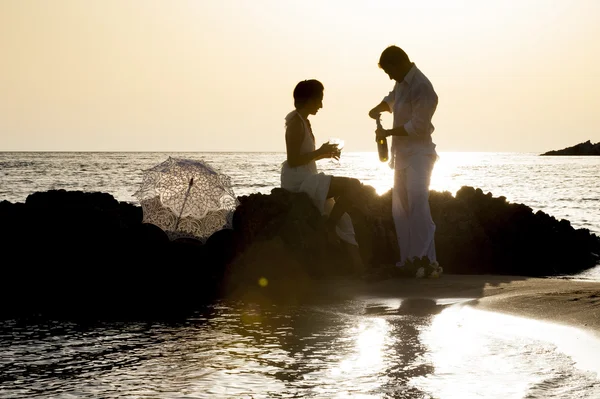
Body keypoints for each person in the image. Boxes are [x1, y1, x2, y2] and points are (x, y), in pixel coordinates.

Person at [368, 45, 441, 277]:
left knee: (419, 204)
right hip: (401, 156)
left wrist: (388, 133)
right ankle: (410, 260)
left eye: (389, 71)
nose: (389, 76)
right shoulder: (401, 82)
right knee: (401, 208)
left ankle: (424, 258)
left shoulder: (422, 87)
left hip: (419, 155)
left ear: (398, 63)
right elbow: (392, 99)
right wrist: (379, 108)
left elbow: (418, 127)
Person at [281, 79, 365, 273]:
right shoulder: (295, 124)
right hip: (298, 181)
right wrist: (319, 151)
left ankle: (360, 273)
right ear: (309, 99)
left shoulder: (304, 122)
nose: (321, 105)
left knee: (345, 220)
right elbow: (293, 160)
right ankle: (329, 226)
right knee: (354, 185)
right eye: (319, 100)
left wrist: (324, 154)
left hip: (307, 175)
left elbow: (304, 158)